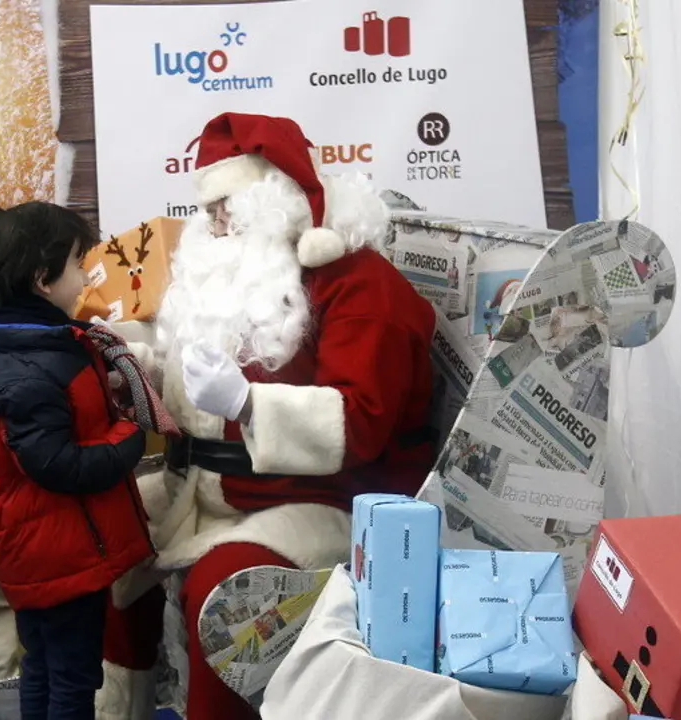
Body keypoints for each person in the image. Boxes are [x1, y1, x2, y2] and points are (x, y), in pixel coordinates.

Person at [96, 113, 438, 719]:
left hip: (324, 502)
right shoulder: (237, 275)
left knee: (225, 599)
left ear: (275, 196)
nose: (215, 223)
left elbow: (359, 422)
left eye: (226, 205)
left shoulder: (362, 287)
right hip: (206, 493)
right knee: (98, 546)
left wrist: (249, 404)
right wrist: (142, 371)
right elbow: (196, 381)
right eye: (209, 210)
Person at [0, 202, 168, 720]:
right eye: (78, 263)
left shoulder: (27, 349)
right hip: (58, 556)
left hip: (42, 549)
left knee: (44, 664)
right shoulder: (34, 371)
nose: (86, 276)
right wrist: (130, 438)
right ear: (42, 280)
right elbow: (60, 466)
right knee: (73, 677)